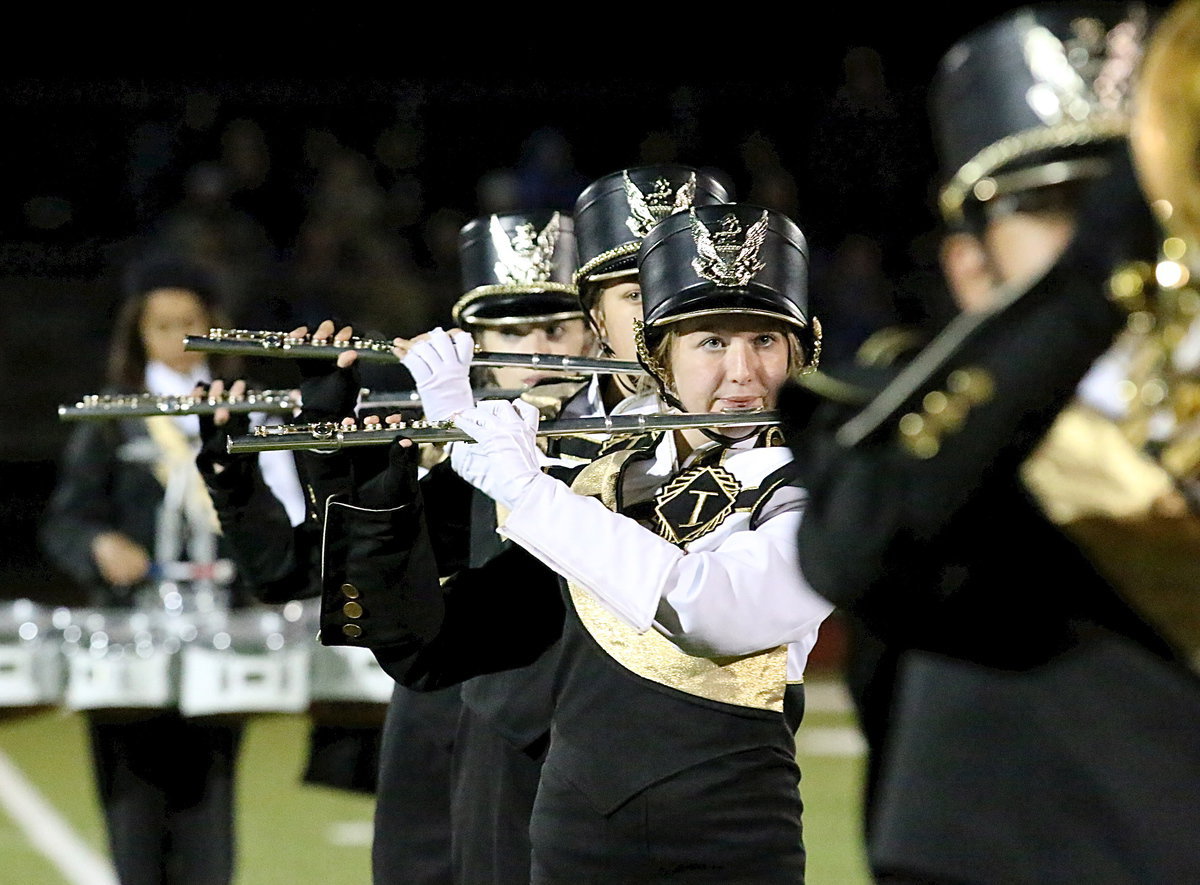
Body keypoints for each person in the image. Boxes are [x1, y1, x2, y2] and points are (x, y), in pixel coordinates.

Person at [776, 4, 1200, 882]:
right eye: (1063, 208)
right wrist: (1092, 280)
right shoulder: (896, 426)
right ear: (970, 265)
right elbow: (858, 543)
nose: (1147, 224)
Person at [321, 202, 834, 883]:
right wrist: (377, 484)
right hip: (577, 832)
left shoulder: (817, 488)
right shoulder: (606, 476)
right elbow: (433, 648)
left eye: (766, 342)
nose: (742, 372)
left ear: (799, 354)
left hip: (728, 834)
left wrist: (526, 486)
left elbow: (710, 609)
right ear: (662, 356)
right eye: (711, 341)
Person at [40, 254, 302, 885]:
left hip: (220, 633)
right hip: (128, 635)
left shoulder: (249, 416)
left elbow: (282, 524)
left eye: (191, 324)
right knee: (130, 800)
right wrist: (100, 545)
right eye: (161, 326)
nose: (178, 340)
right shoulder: (110, 419)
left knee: (211, 796)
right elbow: (65, 521)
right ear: (138, 333)